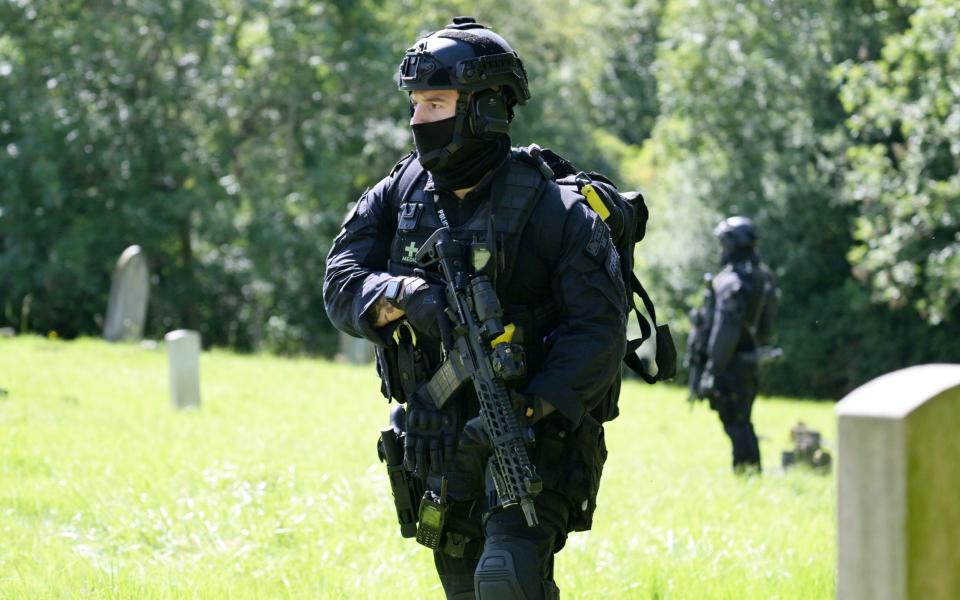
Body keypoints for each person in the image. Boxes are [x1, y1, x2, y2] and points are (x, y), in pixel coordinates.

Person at [323, 17, 627, 600]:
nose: (418, 122)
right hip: (436, 440)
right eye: (415, 105)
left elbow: (598, 332)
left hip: (531, 437)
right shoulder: (399, 192)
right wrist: (404, 297)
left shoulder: (555, 209)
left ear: (486, 109)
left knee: (506, 580)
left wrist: (527, 410)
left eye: (435, 104)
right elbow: (340, 283)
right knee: (465, 587)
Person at [692, 216, 777, 473]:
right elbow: (767, 327)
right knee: (742, 419)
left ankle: (747, 473)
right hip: (749, 359)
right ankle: (749, 473)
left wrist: (712, 369)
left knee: (737, 422)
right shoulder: (764, 277)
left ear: (731, 245)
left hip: (731, 363)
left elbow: (724, 331)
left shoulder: (731, 282)